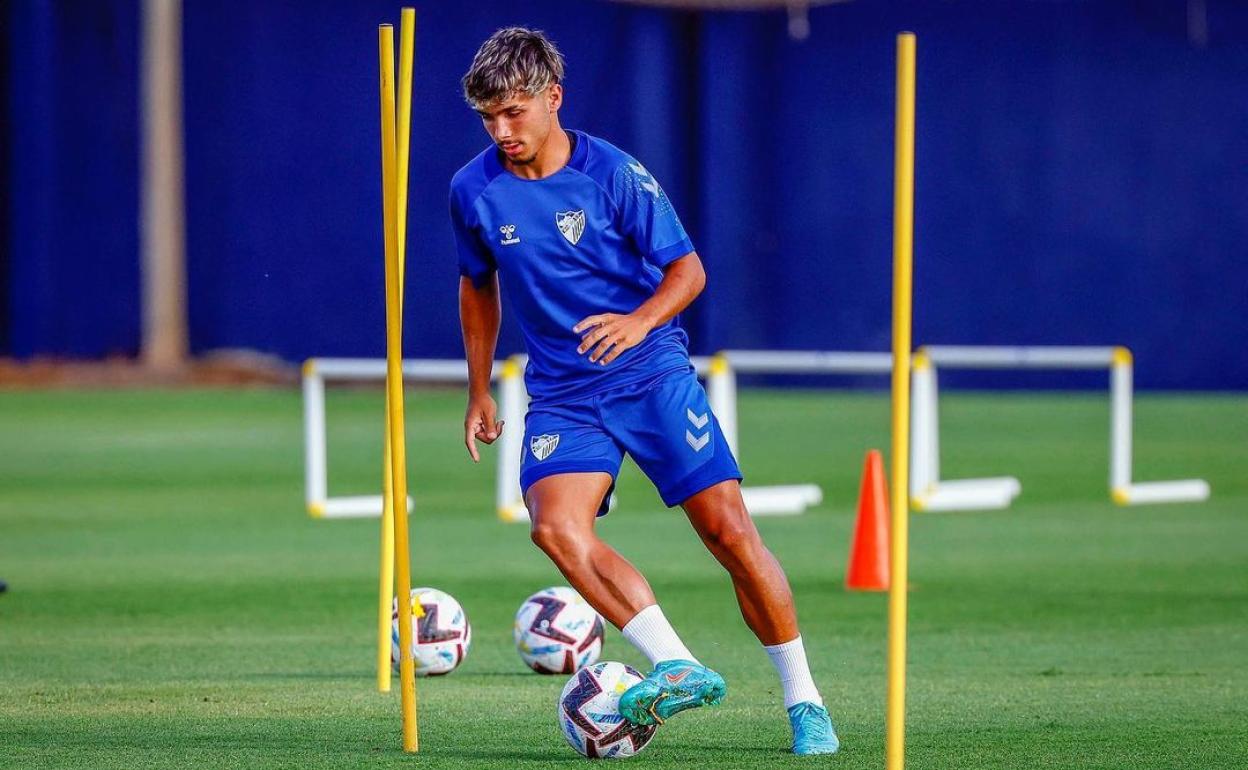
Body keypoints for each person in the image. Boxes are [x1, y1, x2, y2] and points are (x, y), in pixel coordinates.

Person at [449, 28, 838, 755]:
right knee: (555, 529)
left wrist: (636, 323)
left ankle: (804, 698)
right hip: (563, 394)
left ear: (553, 98)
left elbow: (688, 273)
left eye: (514, 112)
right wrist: (478, 391)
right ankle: (679, 664)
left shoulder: (615, 175)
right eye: (488, 118)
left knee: (728, 534)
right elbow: (478, 288)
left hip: (651, 373)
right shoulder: (472, 189)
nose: (502, 131)